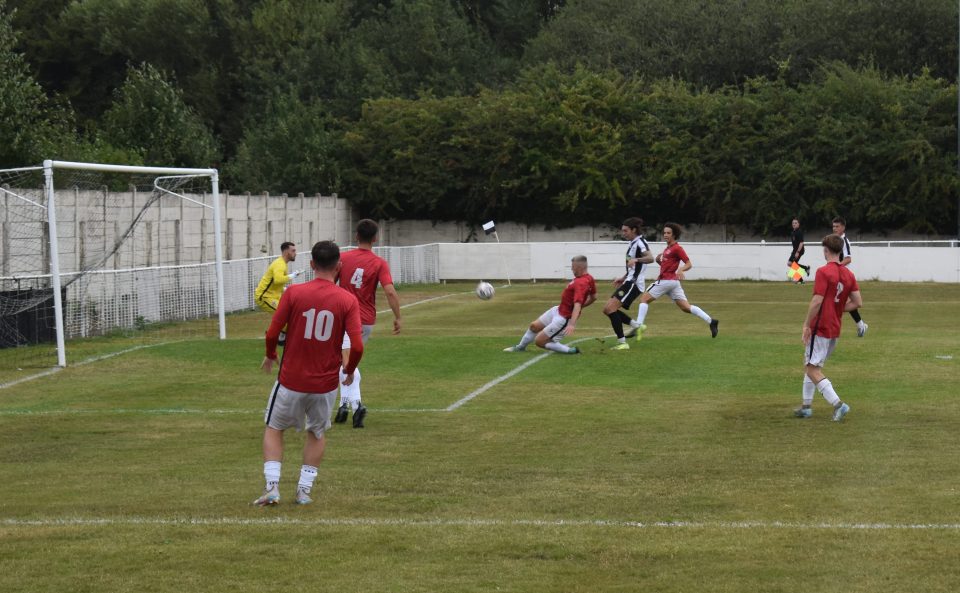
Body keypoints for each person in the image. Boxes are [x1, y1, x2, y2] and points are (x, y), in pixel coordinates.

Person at [253, 241, 363, 506]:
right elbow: (356, 345)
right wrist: (348, 371)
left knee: (274, 427)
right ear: (339, 266)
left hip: (291, 379)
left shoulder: (293, 294)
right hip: (324, 383)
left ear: (312, 264)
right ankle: (303, 491)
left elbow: (271, 332)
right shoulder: (348, 300)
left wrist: (270, 354)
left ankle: (272, 487)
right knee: (316, 432)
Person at [333, 219, 403, 428]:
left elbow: (329, 283)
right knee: (348, 361)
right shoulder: (379, 262)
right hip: (366, 319)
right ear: (375, 238)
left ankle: (355, 405)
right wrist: (398, 317)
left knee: (345, 362)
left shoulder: (343, 258)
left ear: (356, 236)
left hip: (344, 317)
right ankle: (344, 405)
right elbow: (389, 290)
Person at [794, 234, 862, 421]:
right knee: (810, 365)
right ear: (840, 251)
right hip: (835, 328)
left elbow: (817, 301)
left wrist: (807, 325)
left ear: (826, 251)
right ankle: (806, 406)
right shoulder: (849, 274)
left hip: (821, 326)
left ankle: (839, 405)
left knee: (812, 369)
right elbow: (857, 302)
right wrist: (838, 308)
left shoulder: (823, 272)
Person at [633, 223, 718, 339]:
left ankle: (638, 327)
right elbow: (666, 266)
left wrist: (681, 269)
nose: (665, 235)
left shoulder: (677, 248)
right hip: (673, 283)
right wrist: (659, 261)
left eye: (668, 233)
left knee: (644, 299)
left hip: (666, 281)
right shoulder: (668, 249)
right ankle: (711, 321)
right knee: (686, 308)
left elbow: (689, 264)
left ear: (674, 235)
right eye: (664, 233)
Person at [503, 255, 596, 354]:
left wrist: (572, 324)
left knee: (540, 341)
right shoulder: (589, 278)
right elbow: (594, 297)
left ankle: (571, 351)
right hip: (558, 310)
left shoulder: (580, 282)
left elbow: (578, 304)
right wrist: (578, 306)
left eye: (573, 267)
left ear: (580, 267)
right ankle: (520, 347)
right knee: (534, 326)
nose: (572, 269)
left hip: (564, 318)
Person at [603, 217, 654, 350]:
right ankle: (637, 326)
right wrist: (623, 277)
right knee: (607, 309)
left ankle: (622, 343)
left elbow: (650, 258)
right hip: (628, 281)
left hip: (634, 284)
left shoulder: (640, 242)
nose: (623, 233)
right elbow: (633, 266)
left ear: (634, 230)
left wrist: (636, 259)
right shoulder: (632, 243)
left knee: (610, 309)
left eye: (626, 231)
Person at [254, 242, 301, 343]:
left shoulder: (282, 264)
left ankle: (277, 336)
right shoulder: (280, 264)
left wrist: (285, 289)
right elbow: (278, 280)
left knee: (289, 314)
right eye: (293, 251)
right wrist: (293, 275)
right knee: (284, 316)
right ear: (286, 252)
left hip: (273, 296)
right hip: (264, 297)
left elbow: (276, 283)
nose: (295, 253)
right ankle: (277, 336)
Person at [831, 217, 868, 337]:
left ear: (843, 227)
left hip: (844, 277)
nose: (834, 228)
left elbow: (848, 258)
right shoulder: (835, 241)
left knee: (836, 303)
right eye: (833, 226)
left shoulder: (844, 241)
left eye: (837, 226)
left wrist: (836, 267)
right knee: (843, 302)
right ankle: (861, 325)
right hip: (839, 276)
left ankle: (832, 327)